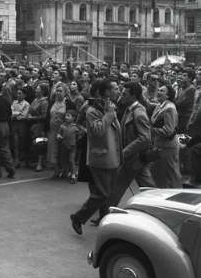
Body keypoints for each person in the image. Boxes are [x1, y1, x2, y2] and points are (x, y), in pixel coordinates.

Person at [70, 79, 122, 235]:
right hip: (100, 157)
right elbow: (98, 131)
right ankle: (78, 217)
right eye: (114, 88)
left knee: (107, 192)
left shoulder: (109, 106)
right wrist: (109, 114)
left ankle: (105, 220)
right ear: (104, 92)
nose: (117, 91)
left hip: (113, 155)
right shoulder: (92, 110)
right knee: (103, 193)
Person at [108, 82, 154, 212]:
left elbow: (145, 138)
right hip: (134, 158)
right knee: (147, 187)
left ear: (133, 96)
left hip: (133, 158)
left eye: (125, 94)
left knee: (118, 186)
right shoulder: (131, 109)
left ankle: (105, 212)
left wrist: (124, 152)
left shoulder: (138, 112)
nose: (121, 96)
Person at [150, 85, 182, 188]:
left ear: (168, 95)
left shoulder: (169, 108)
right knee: (159, 175)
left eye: (162, 91)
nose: (158, 91)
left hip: (168, 147)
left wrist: (151, 130)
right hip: (160, 145)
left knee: (171, 177)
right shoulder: (160, 105)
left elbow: (168, 131)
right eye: (158, 89)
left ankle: (178, 196)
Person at [56, 110, 81, 183]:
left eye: (68, 116)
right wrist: (59, 136)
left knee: (71, 160)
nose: (66, 117)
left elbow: (79, 135)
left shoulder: (75, 127)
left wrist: (77, 139)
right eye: (66, 115)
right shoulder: (62, 126)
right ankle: (65, 172)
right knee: (63, 160)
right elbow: (58, 133)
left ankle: (73, 175)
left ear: (73, 118)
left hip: (72, 147)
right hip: (64, 146)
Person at [11, 88, 30, 168]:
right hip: (14, 124)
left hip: (22, 125)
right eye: (17, 93)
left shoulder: (26, 104)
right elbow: (11, 112)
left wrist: (16, 114)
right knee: (15, 142)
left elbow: (24, 115)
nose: (18, 95)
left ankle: (24, 159)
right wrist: (18, 113)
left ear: (24, 95)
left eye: (20, 93)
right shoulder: (14, 102)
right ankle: (16, 159)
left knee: (22, 142)